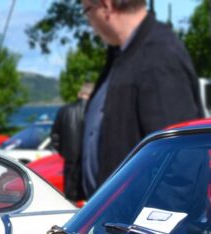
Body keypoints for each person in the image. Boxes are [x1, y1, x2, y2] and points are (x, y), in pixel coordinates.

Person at [79, 0, 202, 196]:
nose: (89, 22)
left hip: (136, 221)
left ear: (106, 6)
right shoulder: (123, 55)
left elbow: (179, 163)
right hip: (110, 215)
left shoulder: (160, 56)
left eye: (87, 11)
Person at [48, 82, 93, 200]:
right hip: (90, 162)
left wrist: (64, 153)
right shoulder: (95, 111)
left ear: (79, 94)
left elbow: (55, 135)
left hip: (70, 161)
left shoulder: (64, 110)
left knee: (70, 199)